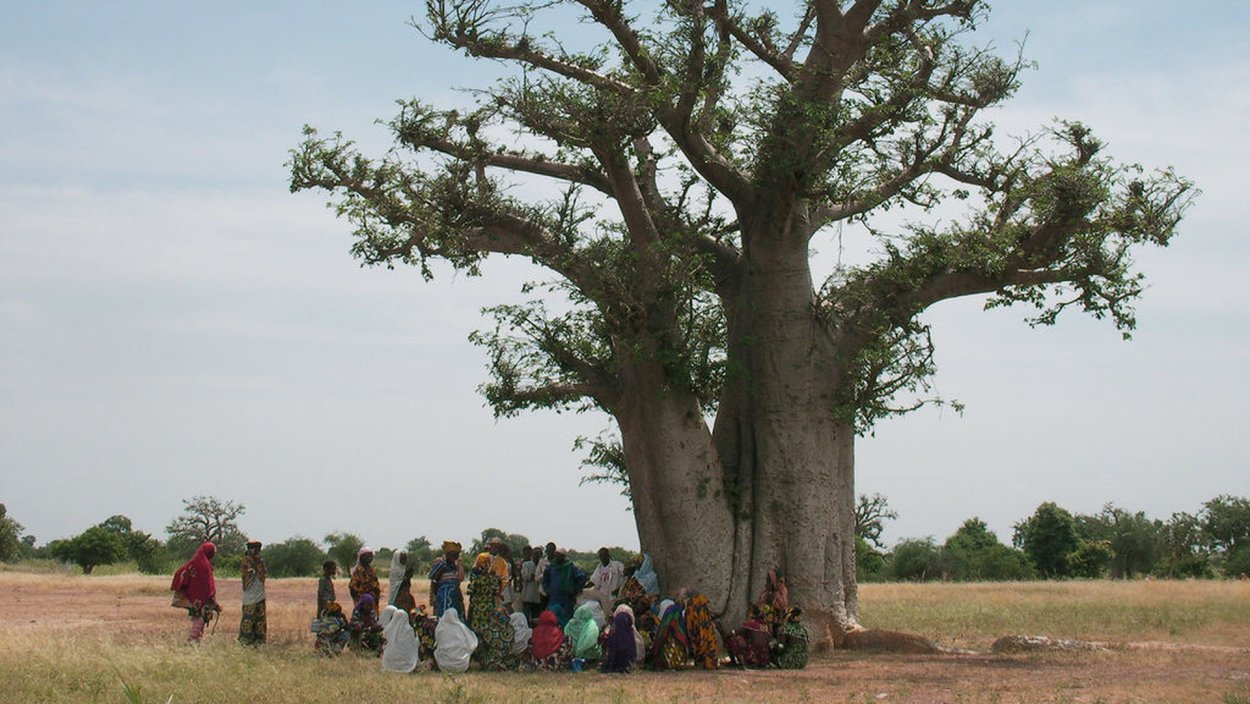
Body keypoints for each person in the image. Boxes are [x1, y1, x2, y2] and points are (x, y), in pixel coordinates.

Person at [467, 554, 516, 670]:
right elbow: (498, 593)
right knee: (488, 634)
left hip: (477, 610)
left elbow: (470, 592)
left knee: (477, 634)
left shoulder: (476, 579)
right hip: (489, 610)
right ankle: (489, 660)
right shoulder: (493, 579)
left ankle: (479, 660)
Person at [171, 541, 220, 642]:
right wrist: (212, 599)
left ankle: (196, 640)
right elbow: (207, 585)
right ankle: (192, 639)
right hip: (202, 599)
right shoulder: (205, 566)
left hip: (192, 597)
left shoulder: (193, 563)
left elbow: (181, 575)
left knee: (198, 618)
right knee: (201, 619)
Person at [541, 547, 587, 627]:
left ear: (563, 556)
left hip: (567, 599)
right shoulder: (552, 566)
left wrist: (574, 590)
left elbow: (581, 578)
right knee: (553, 618)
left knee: (566, 619)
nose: (557, 557)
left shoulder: (571, 566)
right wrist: (548, 590)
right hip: (554, 597)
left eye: (559, 555)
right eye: (556, 555)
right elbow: (545, 580)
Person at [682, 589, 721, 670]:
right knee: (708, 644)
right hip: (704, 629)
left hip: (697, 629)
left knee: (700, 644)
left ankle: (702, 662)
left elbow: (690, 622)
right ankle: (709, 663)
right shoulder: (701, 603)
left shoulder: (691, 606)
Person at [238, 539, 267, 645]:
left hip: (260, 595)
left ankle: (259, 641)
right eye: (253, 548)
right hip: (250, 595)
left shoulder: (261, 561)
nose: (255, 551)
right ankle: (245, 642)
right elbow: (247, 574)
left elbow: (263, 574)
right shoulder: (246, 560)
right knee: (248, 619)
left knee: (260, 619)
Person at [649, 599, 689, 670]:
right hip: (682, 660)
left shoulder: (665, 625)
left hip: (668, 659)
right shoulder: (680, 624)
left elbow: (660, 639)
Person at [428, 541, 465, 618]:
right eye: (452, 555)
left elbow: (461, 578)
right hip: (443, 595)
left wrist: (460, 565)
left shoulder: (455, 565)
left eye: (456, 556)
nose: (454, 558)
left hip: (455, 595)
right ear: (447, 555)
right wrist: (434, 596)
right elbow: (432, 577)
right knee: (444, 616)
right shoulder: (441, 563)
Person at [433, 608, 477, 673]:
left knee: (436, 651)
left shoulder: (440, 628)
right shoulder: (462, 628)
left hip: (443, 665)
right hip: (461, 665)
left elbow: (437, 643)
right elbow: (473, 643)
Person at [380, 604, 421, 673]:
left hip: (390, 662)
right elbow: (411, 647)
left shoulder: (389, 629)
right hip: (406, 661)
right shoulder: (409, 630)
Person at [349, 547, 381, 614]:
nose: (370, 557)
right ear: (361, 557)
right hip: (363, 602)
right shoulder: (357, 571)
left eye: (371, 555)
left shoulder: (371, 570)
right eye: (367, 555)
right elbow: (353, 588)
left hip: (373, 601)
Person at [520, 546, 542, 623]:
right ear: (532, 555)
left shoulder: (542, 566)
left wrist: (536, 577)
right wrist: (531, 576)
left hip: (538, 596)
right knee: (525, 617)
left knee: (535, 618)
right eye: (535, 554)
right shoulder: (526, 564)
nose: (536, 556)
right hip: (527, 595)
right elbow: (524, 576)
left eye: (538, 555)